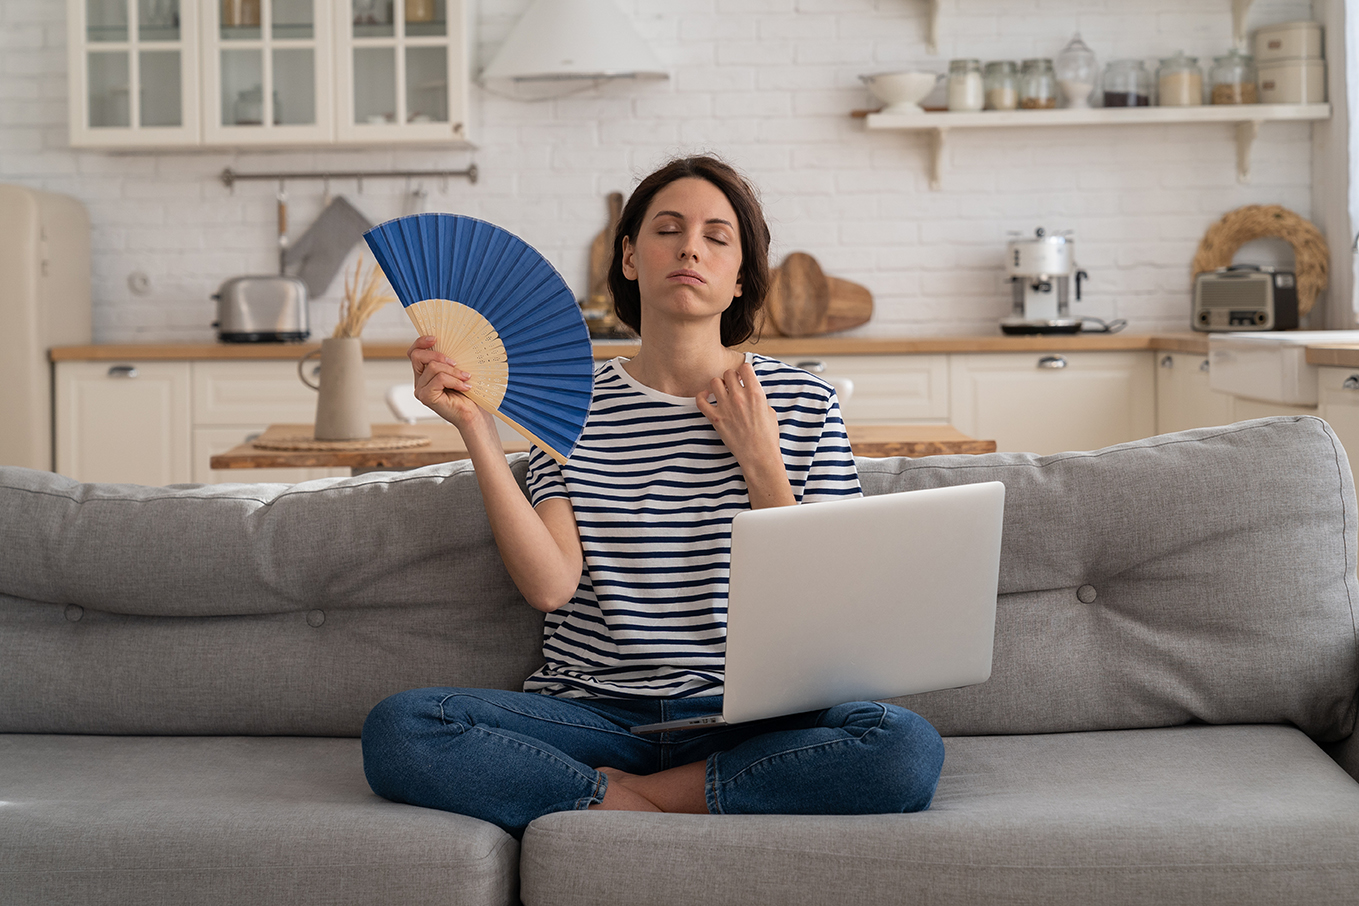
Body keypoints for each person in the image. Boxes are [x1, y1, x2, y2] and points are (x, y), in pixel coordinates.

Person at [361, 155, 945, 837]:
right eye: (668, 229)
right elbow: (550, 587)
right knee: (402, 729)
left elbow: (831, 607)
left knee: (902, 747)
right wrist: (477, 430)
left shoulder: (802, 401)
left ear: (737, 280)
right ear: (632, 258)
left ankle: (619, 801)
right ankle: (669, 797)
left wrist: (761, 463)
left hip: (749, 715)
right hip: (594, 715)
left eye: (716, 237)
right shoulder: (566, 406)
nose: (690, 246)